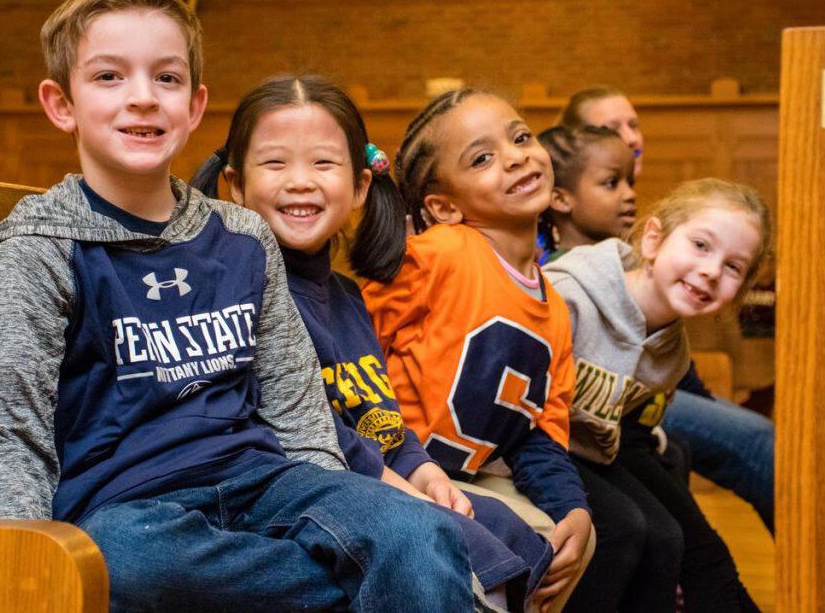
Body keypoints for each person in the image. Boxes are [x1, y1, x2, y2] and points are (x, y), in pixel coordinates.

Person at [0, 0, 478, 612]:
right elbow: (15, 430)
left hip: (264, 481)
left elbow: (299, 414)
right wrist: (13, 569)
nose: (142, 99)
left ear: (194, 103)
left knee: (417, 528)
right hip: (131, 507)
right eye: (108, 77)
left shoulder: (242, 235)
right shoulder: (38, 244)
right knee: (130, 566)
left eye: (166, 78)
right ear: (60, 103)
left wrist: (346, 507)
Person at [191, 74, 553, 611]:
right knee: (462, 547)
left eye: (322, 163)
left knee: (515, 534)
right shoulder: (237, 286)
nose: (300, 182)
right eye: (275, 164)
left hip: (381, 473)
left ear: (361, 185)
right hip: (314, 491)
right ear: (235, 184)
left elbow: (377, 412)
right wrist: (399, 487)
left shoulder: (346, 295)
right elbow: (300, 427)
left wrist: (424, 470)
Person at [360, 89, 595, 612]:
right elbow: (348, 343)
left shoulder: (554, 307)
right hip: (393, 470)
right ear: (444, 207)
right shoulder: (438, 255)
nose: (514, 157)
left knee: (572, 538)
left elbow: (536, 434)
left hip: (467, 479)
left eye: (521, 137)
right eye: (482, 158)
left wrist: (571, 508)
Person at [544, 177, 771, 612]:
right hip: (540, 448)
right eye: (701, 246)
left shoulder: (673, 355)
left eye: (733, 267)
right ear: (653, 240)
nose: (710, 271)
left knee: (680, 541)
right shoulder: (571, 297)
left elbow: (629, 436)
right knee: (626, 528)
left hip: (597, 449)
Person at [563, 86, 775, 533]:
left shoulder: (647, 211)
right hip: (592, 404)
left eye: (633, 124)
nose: (630, 136)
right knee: (751, 441)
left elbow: (666, 351)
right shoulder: (572, 264)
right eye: (610, 127)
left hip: (642, 394)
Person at [537, 124, 684, 612]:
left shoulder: (637, 281)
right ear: (560, 198)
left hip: (604, 441)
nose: (629, 196)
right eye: (611, 183)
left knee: (666, 534)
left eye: (631, 182)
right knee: (625, 528)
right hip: (553, 444)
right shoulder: (563, 283)